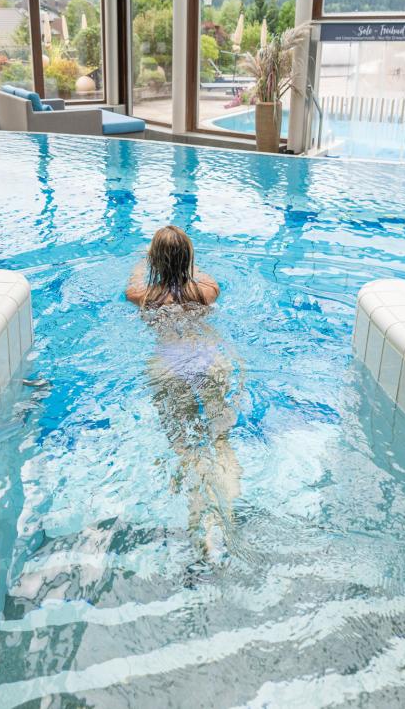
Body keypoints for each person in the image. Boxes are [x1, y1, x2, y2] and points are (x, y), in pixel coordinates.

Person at [126, 226, 240, 578]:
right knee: (220, 439)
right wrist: (186, 267)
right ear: (190, 260)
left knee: (187, 450)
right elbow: (199, 277)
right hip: (210, 361)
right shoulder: (207, 291)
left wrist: (144, 260)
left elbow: (133, 280)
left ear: (154, 261)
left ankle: (201, 524)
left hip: (170, 368)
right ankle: (229, 514)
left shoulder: (142, 295)